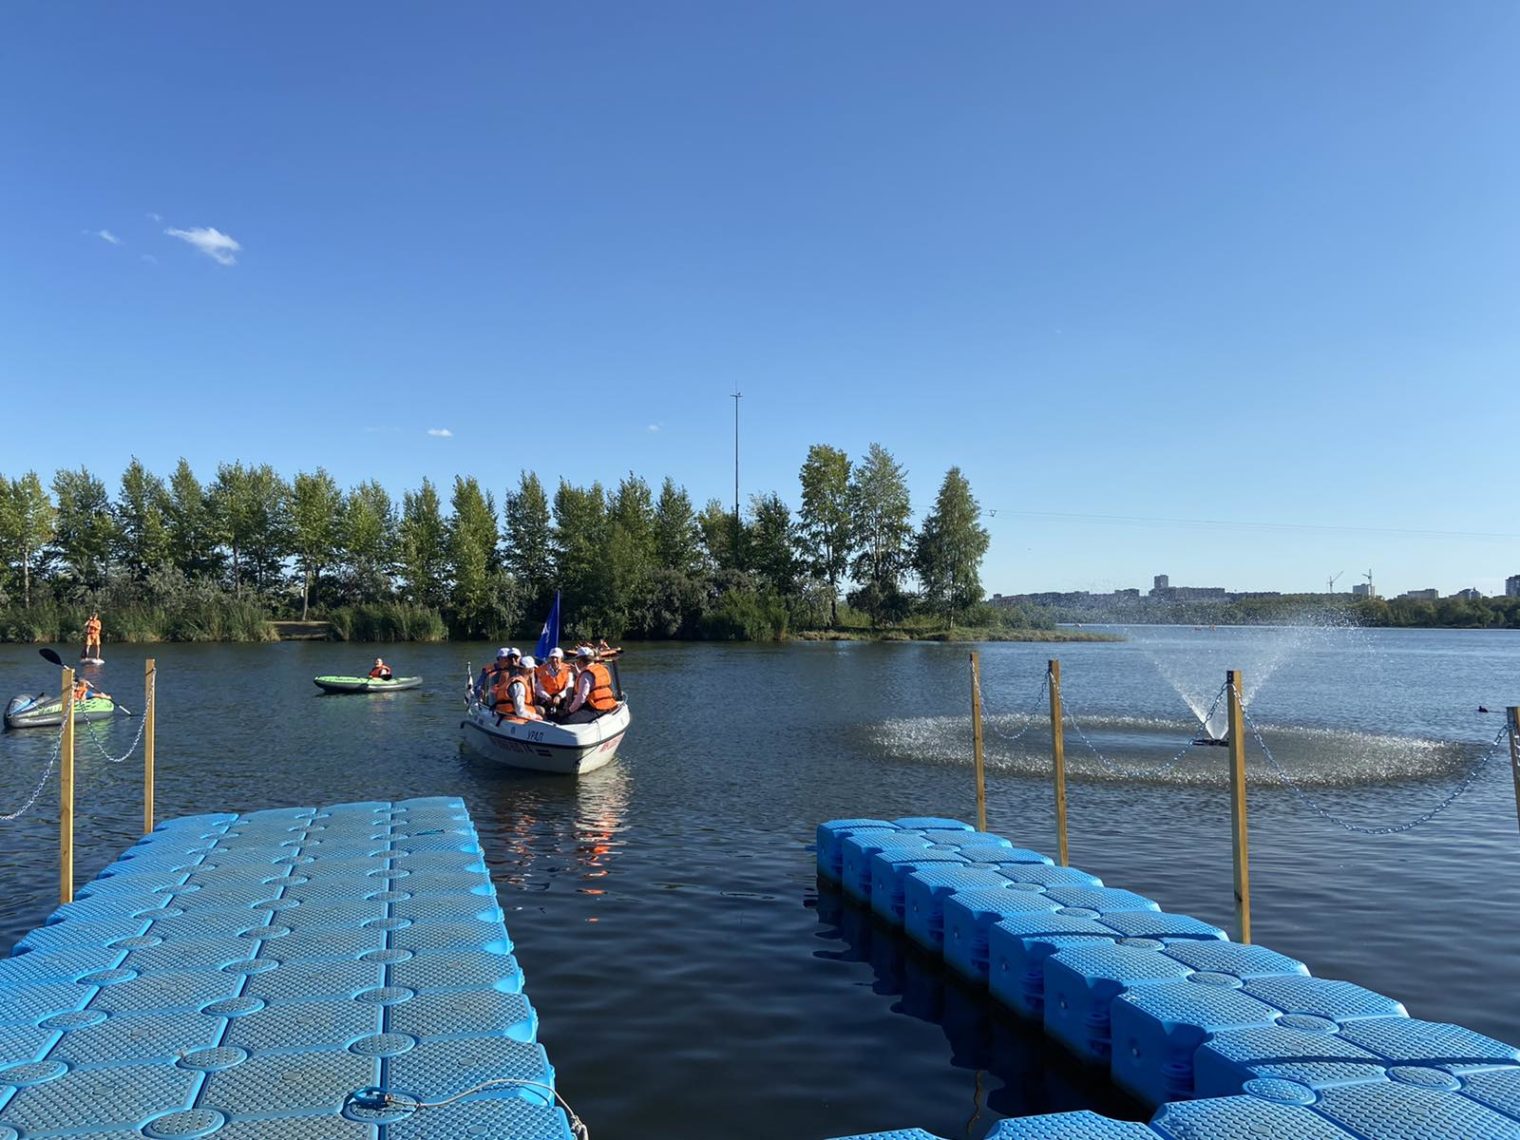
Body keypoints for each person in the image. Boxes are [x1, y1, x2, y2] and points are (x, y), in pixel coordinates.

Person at [561, 645, 619, 723]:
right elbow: (593, 683)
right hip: (609, 703)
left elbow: (581, 697)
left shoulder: (586, 674)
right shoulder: (602, 668)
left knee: (566, 721)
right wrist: (578, 673)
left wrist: (570, 710)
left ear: (580, 661)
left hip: (596, 707)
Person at [492, 654, 542, 722]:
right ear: (530, 671)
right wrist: (535, 716)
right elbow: (520, 711)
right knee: (541, 717)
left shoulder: (515, 680)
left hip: (506, 715)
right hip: (515, 720)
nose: (534, 671)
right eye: (533, 669)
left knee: (541, 710)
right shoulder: (519, 685)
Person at [534, 647, 572, 717]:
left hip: (562, 696)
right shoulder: (541, 669)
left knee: (564, 713)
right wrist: (547, 697)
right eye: (552, 657)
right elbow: (539, 689)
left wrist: (559, 696)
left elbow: (569, 686)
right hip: (546, 697)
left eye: (556, 657)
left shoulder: (568, 668)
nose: (554, 660)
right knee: (544, 712)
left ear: (561, 658)